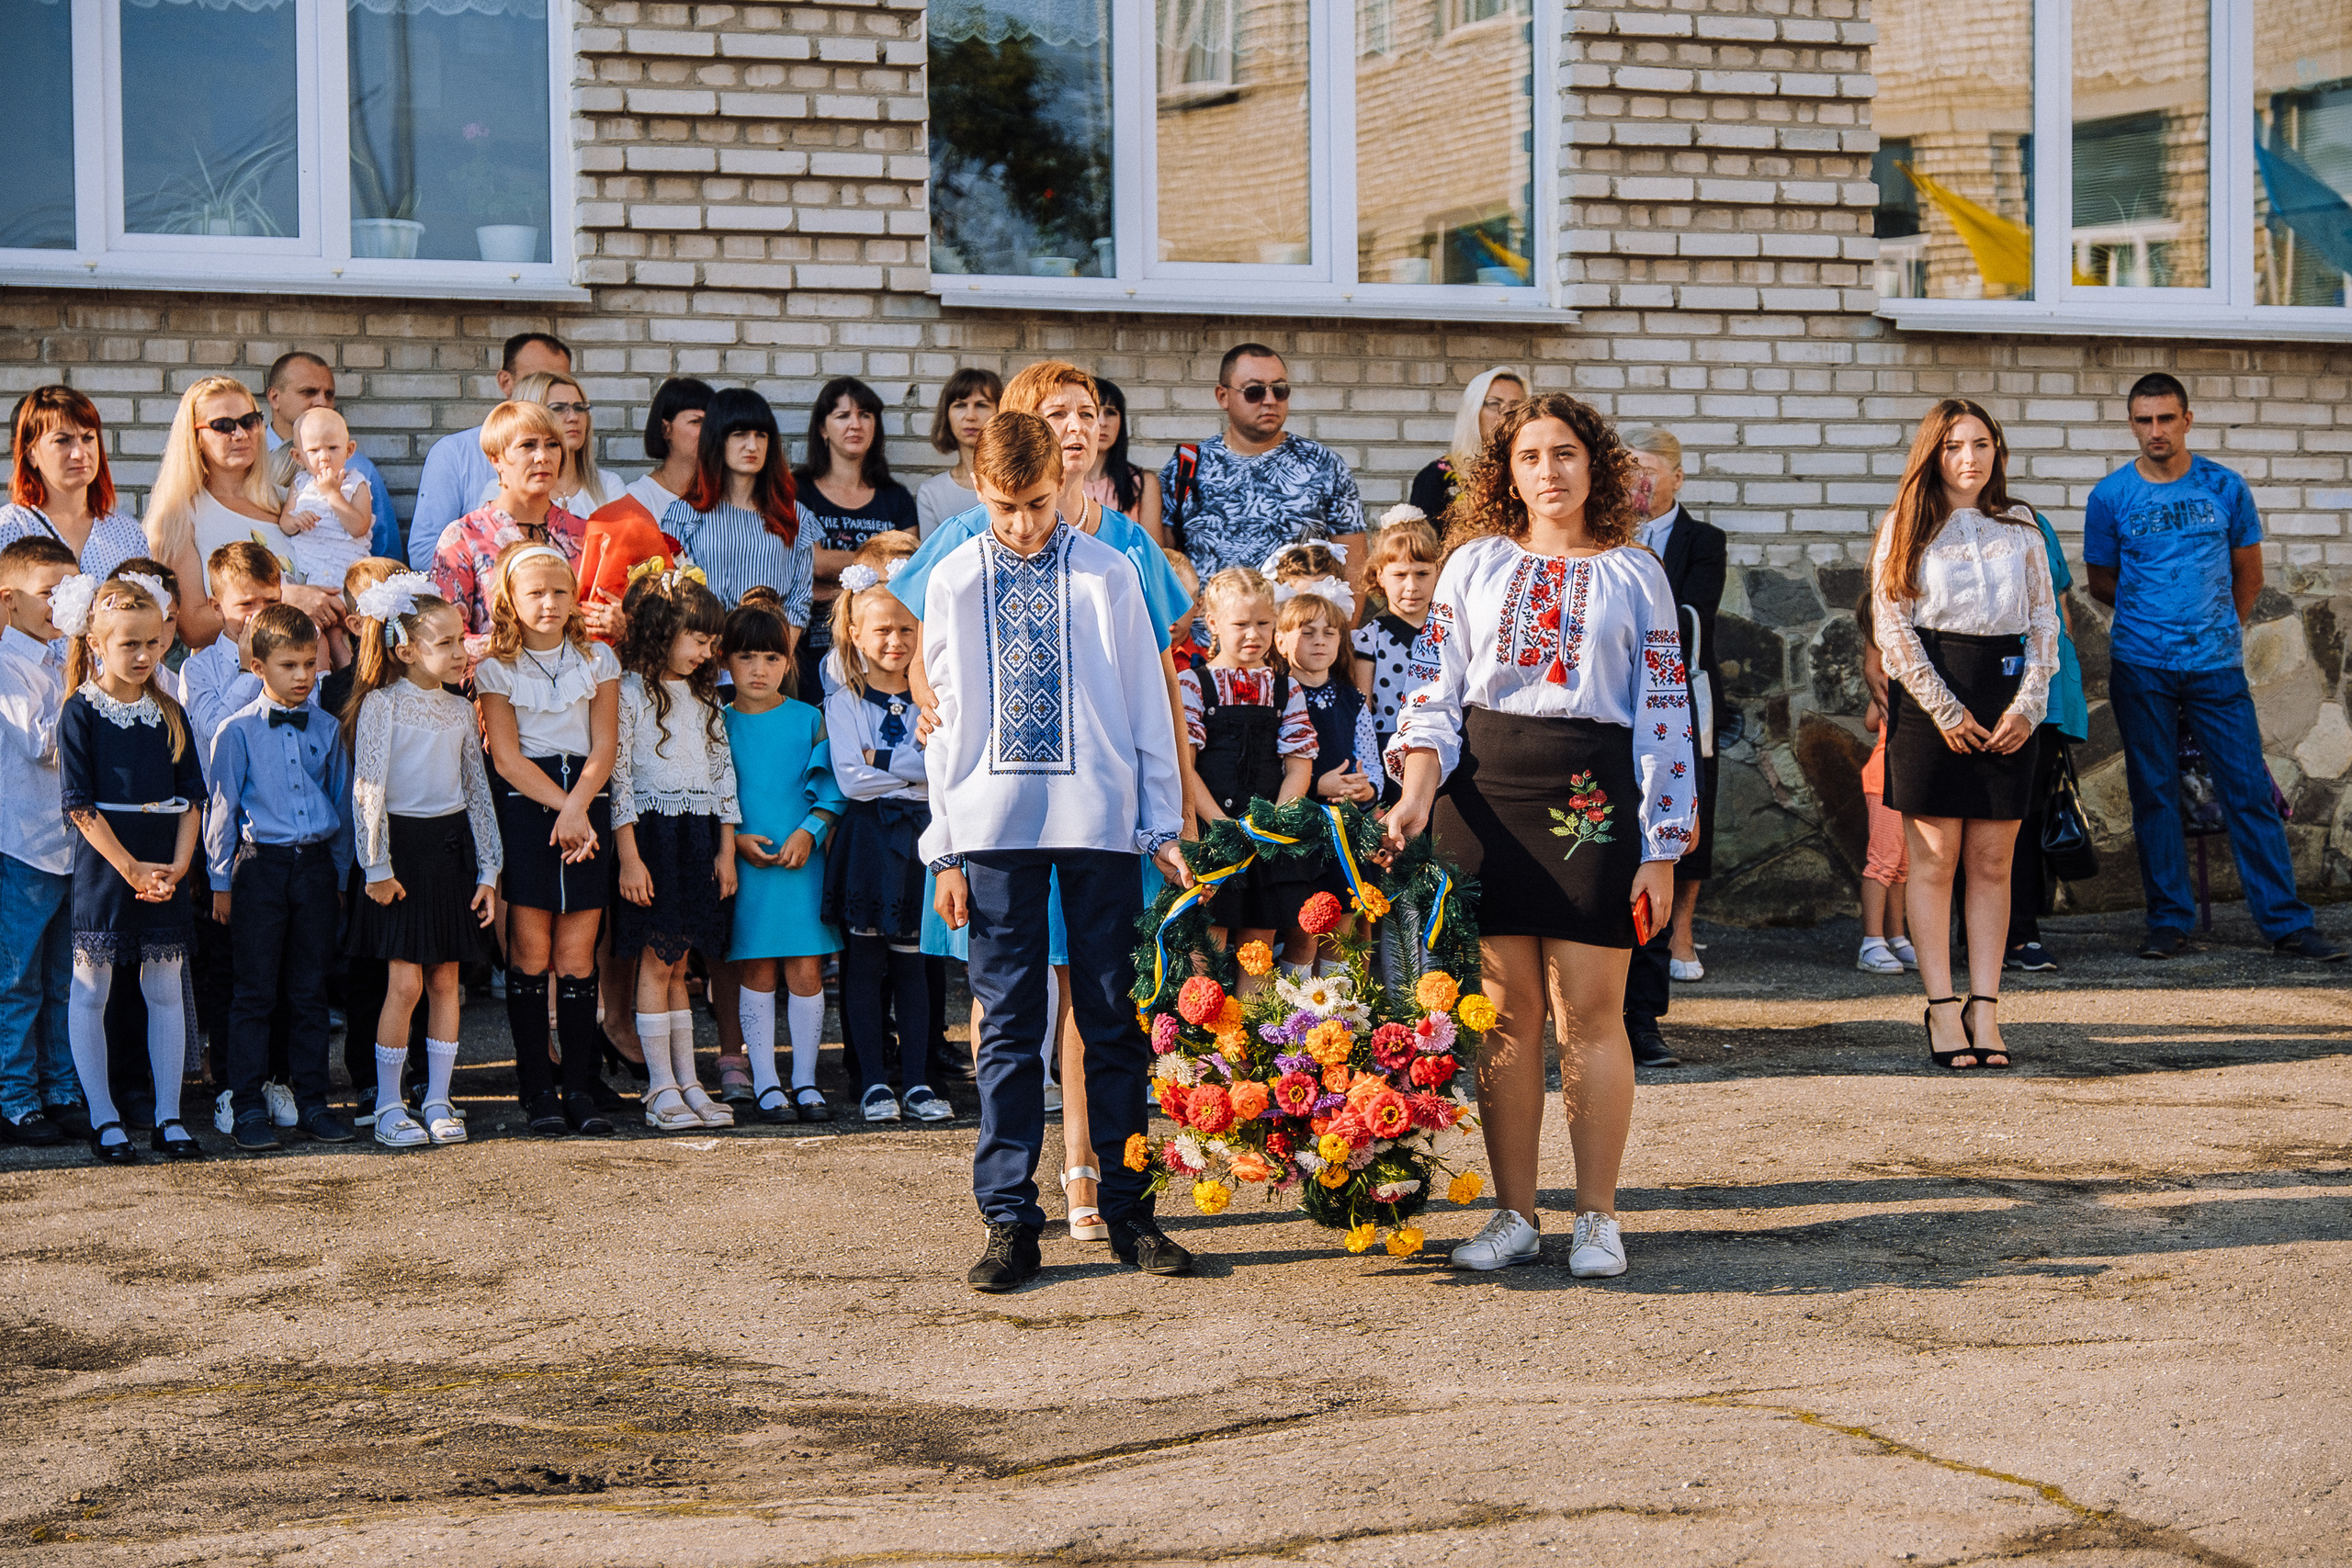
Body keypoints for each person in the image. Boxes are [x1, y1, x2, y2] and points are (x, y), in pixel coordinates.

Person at [1382, 392, 1696, 1280]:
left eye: (1565, 453)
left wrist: (1662, 844)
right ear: (1506, 472)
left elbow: (1664, 714)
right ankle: (1514, 1212)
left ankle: (1596, 1216)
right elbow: (1434, 694)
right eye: (1529, 456)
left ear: (1594, 466)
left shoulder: (1638, 575)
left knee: (1590, 1014)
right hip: (1481, 800)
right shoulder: (1473, 564)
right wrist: (1412, 796)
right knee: (1505, 1020)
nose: (1548, 471)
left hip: (1593, 801)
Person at [921, 412, 1191, 1291]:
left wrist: (1160, 824)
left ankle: (1129, 1210)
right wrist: (946, 847)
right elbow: (946, 721)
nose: (1024, 523)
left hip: (1100, 825)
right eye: (1004, 505)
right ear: (978, 488)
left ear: (1067, 483)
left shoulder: (1110, 574)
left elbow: (1148, 708)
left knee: (1112, 1016)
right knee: (1008, 1026)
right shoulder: (956, 578)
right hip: (994, 828)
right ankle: (1008, 1218)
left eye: (1038, 503)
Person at [2085, 372, 2341, 963]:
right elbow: (2102, 581)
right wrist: (2156, 619)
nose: (2156, 431)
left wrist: (2218, 627)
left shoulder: (2224, 488)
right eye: (2144, 420)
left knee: (2247, 790)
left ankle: (2286, 925)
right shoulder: (2111, 496)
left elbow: (2247, 574)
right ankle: (2169, 921)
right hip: (2141, 666)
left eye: (2166, 418)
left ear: (2187, 420)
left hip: (2215, 665)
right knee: (2154, 792)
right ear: (2132, 425)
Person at [1871, 399, 2058, 1071]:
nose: (1970, 459)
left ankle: (1986, 1004)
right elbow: (1891, 625)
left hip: (2007, 699)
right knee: (1935, 858)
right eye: (1954, 446)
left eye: (1981, 444)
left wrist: (2030, 704)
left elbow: (2044, 620)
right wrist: (1945, 710)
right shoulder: (1907, 524)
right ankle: (1942, 1005)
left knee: (1992, 862)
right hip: (1931, 699)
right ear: (1933, 454)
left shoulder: (2021, 525)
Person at [340, 575, 502, 1151]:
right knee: (403, 985)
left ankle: (438, 1097)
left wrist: (489, 871)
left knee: (446, 982)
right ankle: (388, 1103)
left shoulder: (460, 709)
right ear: (405, 650)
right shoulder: (382, 706)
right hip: (399, 857)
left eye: (461, 640)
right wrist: (376, 866)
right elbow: (369, 789)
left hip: (450, 853)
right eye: (445, 644)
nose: (460, 653)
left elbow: (476, 791)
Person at [53, 574, 208, 1164]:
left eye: (153, 643)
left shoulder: (169, 711)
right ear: (97, 643)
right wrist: (130, 869)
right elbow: (78, 804)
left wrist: (177, 864)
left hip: (163, 867)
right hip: (108, 865)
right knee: (92, 986)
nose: (145, 656)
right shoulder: (80, 712)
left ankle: (169, 1116)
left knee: (163, 986)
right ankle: (104, 1115)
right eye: (130, 645)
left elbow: (191, 796)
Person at [473, 541, 622, 1138]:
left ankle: (580, 1085)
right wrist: (565, 810)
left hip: (587, 798)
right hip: (531, 805)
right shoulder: (495, 667)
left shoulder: (598, 660)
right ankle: (537, 1084)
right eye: (534, 591)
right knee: (532, 953)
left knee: (578, 955)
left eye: (560, 590)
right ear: (510, 599)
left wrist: (581, 807)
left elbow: (605, 744)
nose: (549, 602)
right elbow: (506, 758)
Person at [203, 603, 354, 1154]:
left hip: (313, 869)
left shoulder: (329, 729)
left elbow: (341, 804)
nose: (301, 677)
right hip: (258, 869)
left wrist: (337, 876)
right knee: (253, 991)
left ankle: (312, 1100)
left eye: (309, 665)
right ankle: (246, 1104)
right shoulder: (235, 732)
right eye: (288, 665)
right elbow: (219, 812)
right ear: (258, 666)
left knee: (309, 990)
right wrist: (220, 883)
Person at [821, 568, 952, 1125]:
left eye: (906, 630)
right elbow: (851, 779)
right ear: (855, 633)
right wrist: (912, 773)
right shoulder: (845, 700)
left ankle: (919, 1081)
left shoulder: (937, 703)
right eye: (882, 631)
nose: (895, 642)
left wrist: (884, 763)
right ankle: (873, 1080)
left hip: (924, 838)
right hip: (870, 840)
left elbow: (942, 771)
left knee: (913, 963)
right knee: (866, 962)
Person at [612, 569, 741, 1133]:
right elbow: (617, 776)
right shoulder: (629, 693)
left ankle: (689, 1080)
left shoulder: (706, 698)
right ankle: (659, 1085)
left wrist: (726, 849)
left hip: (697, 834)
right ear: (662, 632)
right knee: (655, 958)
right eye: (698, 638)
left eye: (712, 642)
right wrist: (630, 855)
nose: (707, 651)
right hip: (652, 835)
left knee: (681, 962)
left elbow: (722, 776)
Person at [1615, 425, 1726, 1068]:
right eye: (1628, 472)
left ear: (1675, 477)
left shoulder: (1699, 541)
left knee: (1666, 843)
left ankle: (1644, 1018)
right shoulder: (1601, 539)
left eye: (1649, 471)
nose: (1639, 484)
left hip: (1671, 700)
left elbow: (1689, 617)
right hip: (1609, 708)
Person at [719, 599, 842, 1124]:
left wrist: (808, 833)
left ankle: (807, 1080)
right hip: (747, 866)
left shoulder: (809, 718)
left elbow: (834, 788)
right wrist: (736, 841)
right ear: (725, 661)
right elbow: (710, 792)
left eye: (771, 658)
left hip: (801, 865)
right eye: (746, 658)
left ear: (788, 663)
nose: (759, 670)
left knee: (806, 970)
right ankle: (767, 1082)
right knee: (757, 968)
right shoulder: (716, 723)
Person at [1181, 567, 1318, 975]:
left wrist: (1273, 820)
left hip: (1265, 831)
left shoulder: (1284, 687)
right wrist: (1219, 823)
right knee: (1209, 937)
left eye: (1263, 623)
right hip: (1215, 829)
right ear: (1214, 624)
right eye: (1241, 624)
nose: (1253, 634)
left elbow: (1299, 765)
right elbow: (1184, 767)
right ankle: (1199, 1030)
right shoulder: (1193, 683)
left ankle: (1252, 1033)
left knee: (1258, 942)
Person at [146, 375, 342, 650]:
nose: (240, 434)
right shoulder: (180, 517)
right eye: (223, 426)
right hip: (232, 680)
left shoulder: (288, 499)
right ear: (195, 436)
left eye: (249, 421)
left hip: (314, 668)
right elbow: (193, 627)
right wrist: (283, 600)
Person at [0, 536, 87, 1145]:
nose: (64, 601)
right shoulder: (9, 666)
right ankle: (15, 1096)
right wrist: (82, 679)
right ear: (9, 601)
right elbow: (45, 743)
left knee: (64, 979)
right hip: (24, 847)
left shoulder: (62, 661)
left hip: (71, 847)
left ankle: (61, 1088)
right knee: (17, 979)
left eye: (72, 588)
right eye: (51, 591)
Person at [1159, 343, 1365, 592]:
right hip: (1208, 629)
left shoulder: (1323, 464)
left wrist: (1344, 628)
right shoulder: (1187, 467)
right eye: (1254, 391)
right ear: (1223, 396)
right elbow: (1164, 563)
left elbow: (1353, 566)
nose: (1270, 400)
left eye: (1279, 389)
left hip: (1297, 628)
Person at [430, 400, 595, 657]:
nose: (543, 456)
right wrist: (522, 652)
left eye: (553, 445)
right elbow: (444, 635)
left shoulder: (584, 533)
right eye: (528, 445)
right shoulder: (464, 535)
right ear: (496, 459)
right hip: (491, 688)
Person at [661, 387, 817, 643]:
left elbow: (799, 600)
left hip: (770, 657)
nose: (752, 445)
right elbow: (672, 597)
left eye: (761, 435)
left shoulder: (794, 514)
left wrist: (777, 658)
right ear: (717, 440)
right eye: (740, 434)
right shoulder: (684, 514)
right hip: (703, 660)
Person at [797, 377, 918, 704]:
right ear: (822, 428)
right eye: (842, 416)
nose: (856, 424)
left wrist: (833, 584)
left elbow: (909, 567)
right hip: (812, 646)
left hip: (884, 656)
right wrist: (878, 572)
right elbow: (811, 562)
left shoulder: (896, 498)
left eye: (865, 415)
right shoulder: (800, 490)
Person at [409, 331, 573, 569]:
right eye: (536, 380)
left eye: (559, 381)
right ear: (506, 382)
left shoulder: (571, 452)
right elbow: (425, 553)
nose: (549, 391)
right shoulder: (454, 452)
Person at [2007, 511, 2091, 972]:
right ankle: (1981, 933)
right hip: (1974, 690)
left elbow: (2059, 607)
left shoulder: (2029, 522)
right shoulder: (1930, 520)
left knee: (2025, 816)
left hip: (2040, 695)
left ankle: (2020, 934)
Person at [0, 387, 152, 586]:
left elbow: (148, 611)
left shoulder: (127, 532)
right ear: (30, 453)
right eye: (62, 440)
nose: (79, 453)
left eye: (88, 438)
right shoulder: (9, 528)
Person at [260, 352, 400, 561]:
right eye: (308, 392)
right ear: (274, 397)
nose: (321, 402)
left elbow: (385, 553)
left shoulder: (358, 468)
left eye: (329, 394)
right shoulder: (251, 461)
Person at [1351, 507, 1442, 796]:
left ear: (1439, 572)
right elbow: (1362, 708)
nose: (1411, 586)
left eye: (1422, 573)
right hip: (1384, 746)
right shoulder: (1369, 637)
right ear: (1379, 575)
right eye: (1400, 574)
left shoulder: (1451, 633)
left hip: (1439, 747)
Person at [1853, 592, 1916, 976]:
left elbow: (1870, 722)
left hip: (1903, 776)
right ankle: (1871, 941)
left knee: (1903, 866)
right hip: (1885, 775)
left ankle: (1897, 937)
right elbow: (1873, 720)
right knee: (1883, 862)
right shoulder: (1896, 672)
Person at [276, 405, 376, 620]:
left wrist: (333, 495)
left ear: (349, 450)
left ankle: (344, 655)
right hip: (312, 572)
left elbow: (359, 527)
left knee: (342, 625)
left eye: (332, 448)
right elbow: (284, 522)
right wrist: (296, 521)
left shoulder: (357, 485)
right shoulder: (300, 484)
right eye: (314, 451)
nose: (324, 457)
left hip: (345, 571)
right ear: (297, 456)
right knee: (317, 629)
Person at [481, 369, 616, 514]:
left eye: (579, 408)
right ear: (531, 414)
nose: (573, 417)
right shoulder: (497, 493)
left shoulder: (608, 485)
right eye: (558, 408)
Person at [1409, 367, 1526, 521]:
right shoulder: (1437, 478)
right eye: (1494, 403)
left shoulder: (1533, 473)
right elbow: (1423, 542)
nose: (1506, 413)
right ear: (1474, 411)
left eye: (1516, 405)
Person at [915, 368, 1001, 536]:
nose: (970, 416)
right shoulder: (932, 493)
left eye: (981, 405)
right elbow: (933, 558)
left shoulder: (1018, 484)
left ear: (999, 412)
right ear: (946, 415)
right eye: (960, 405)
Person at [620, 377, 717, 525]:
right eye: (696, 422)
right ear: (665, 429)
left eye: (712, 422)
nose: (708, 431)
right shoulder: (639, 499)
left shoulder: (722, 496)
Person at [1085, 378, 1164, 541]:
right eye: (1091, 412)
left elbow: (1153, 554)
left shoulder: (1143, 483)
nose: (1102, 422)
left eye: (1111, 412)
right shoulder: (1058, 483)